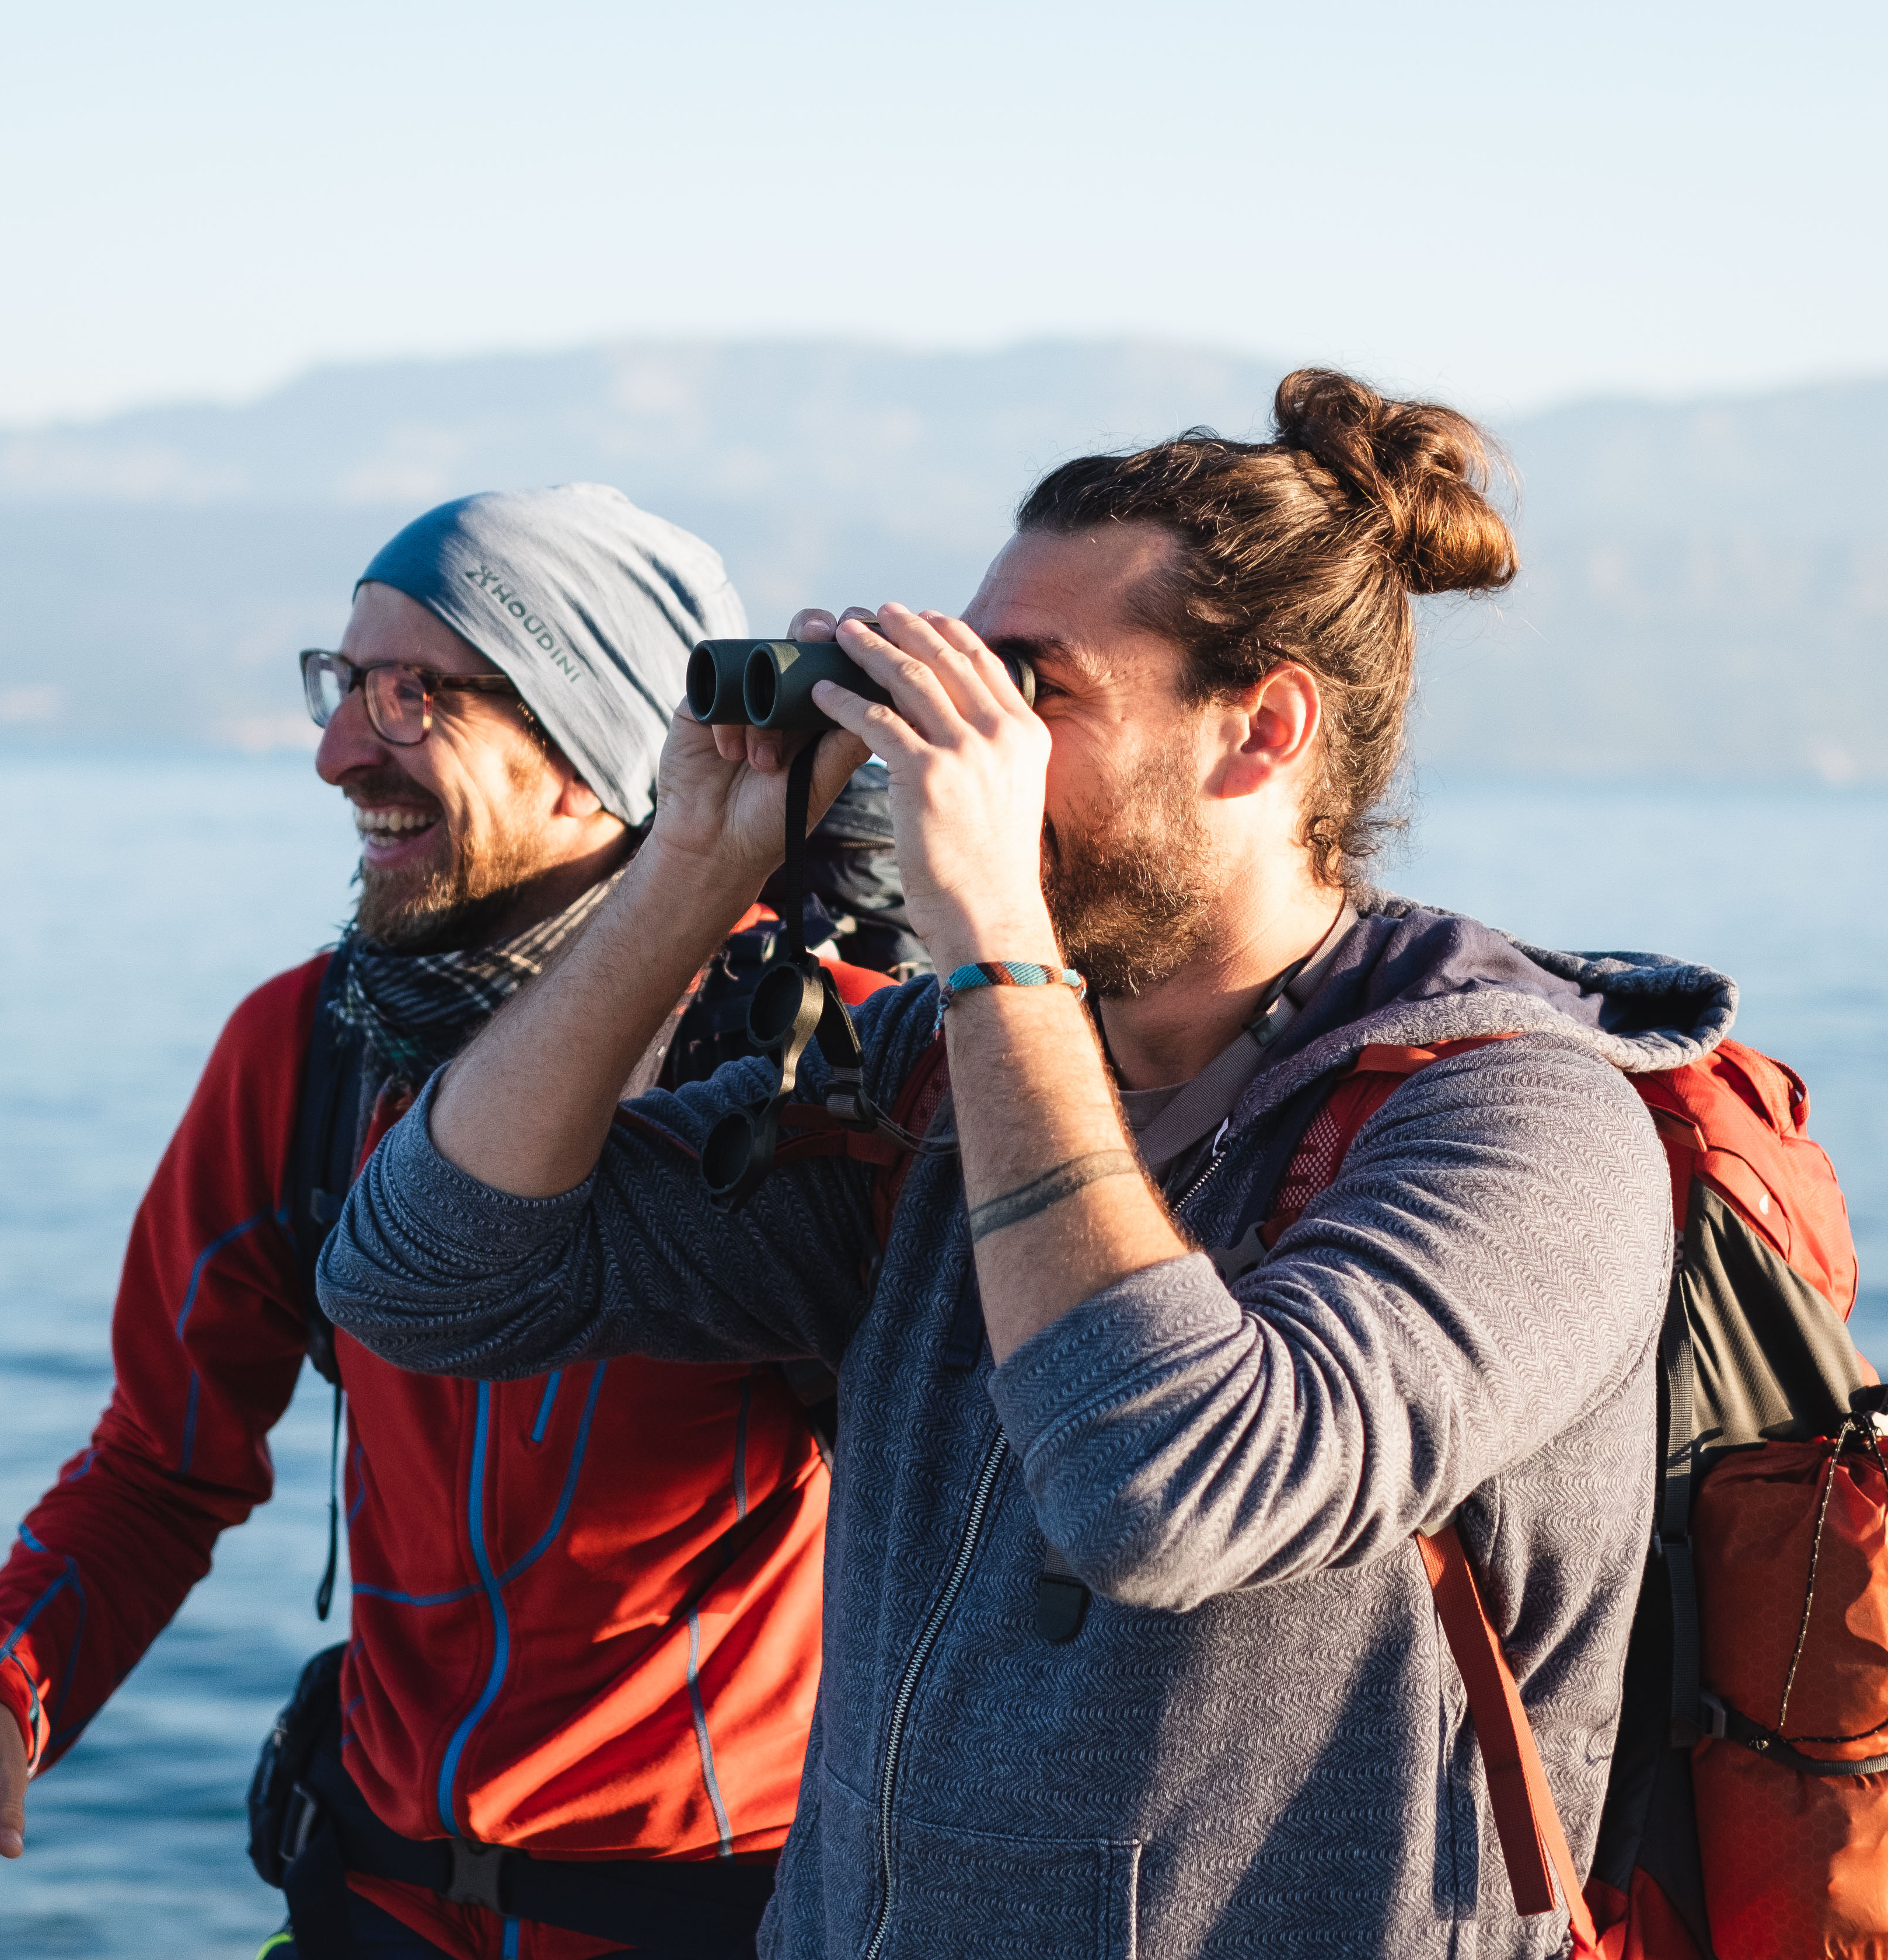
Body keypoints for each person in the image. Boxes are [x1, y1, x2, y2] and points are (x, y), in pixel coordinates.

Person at [320, 373, 1739, 1956]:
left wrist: (995, 934)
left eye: (1026, 692)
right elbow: (426, 1283)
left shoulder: (1517, 1125)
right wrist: (693, 864)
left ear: (1261, 733)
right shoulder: (927, 1081)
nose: (960, 748)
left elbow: (1173, 1491)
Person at [0, 485, 906, 1958]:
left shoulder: (830, 1074)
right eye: (343, 682)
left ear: (588, 752)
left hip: (716, 1922)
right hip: (365, 1906)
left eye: (416, 693)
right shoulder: (308, 1053)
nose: (338, 749)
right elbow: (164, 1463)